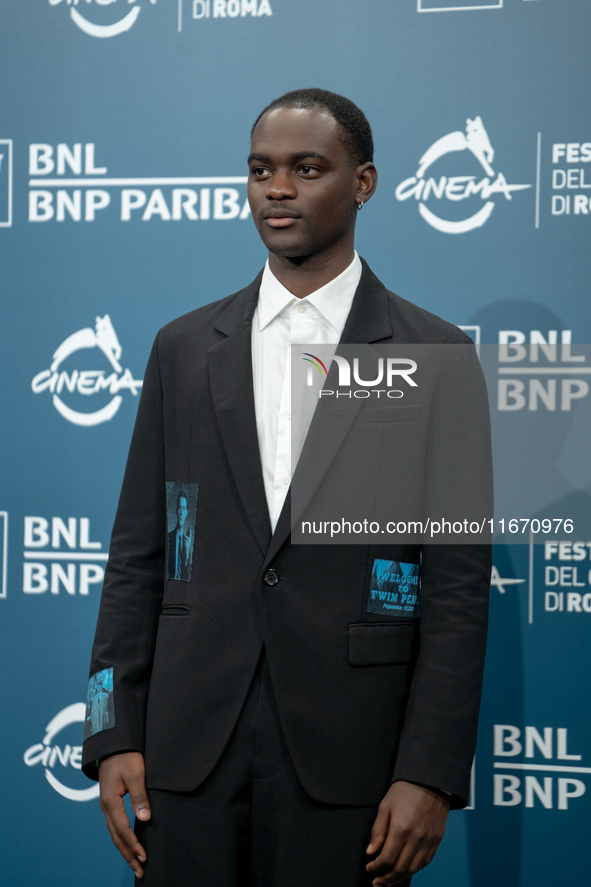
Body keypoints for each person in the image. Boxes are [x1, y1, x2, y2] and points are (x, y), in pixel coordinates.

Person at [82, 88, 492, 887]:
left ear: (363, 183)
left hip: (354, 764)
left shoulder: (435, 354)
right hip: (185, 754)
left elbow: (457, 586)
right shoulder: (182, 346)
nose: (277, 188)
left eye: (307, 168)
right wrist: (109, 730)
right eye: (260, 170)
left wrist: (432, 772)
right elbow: (136, 553)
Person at [166, 488, 192, 581]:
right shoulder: (168, 538)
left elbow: (188, 577)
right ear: (176, 510)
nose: (181, 512)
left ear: (186, 513)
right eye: (179, 507)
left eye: (184, 508)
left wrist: (187, 556)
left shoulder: (187, 545)